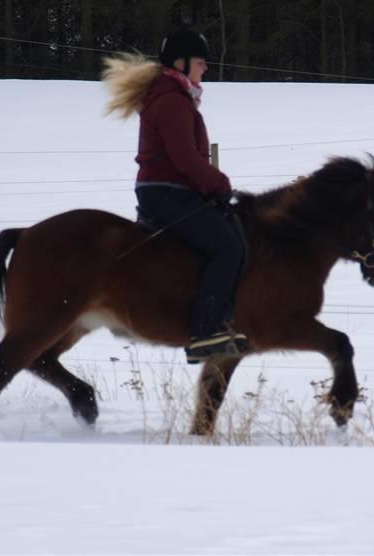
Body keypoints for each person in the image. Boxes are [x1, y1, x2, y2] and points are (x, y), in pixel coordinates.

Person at [102, 29, 248, 364]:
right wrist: (220, 184)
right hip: (169, 191)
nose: (205, 69)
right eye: (200, 62)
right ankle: (205, 332)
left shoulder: (172, 95)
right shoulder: (171, 100)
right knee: (228, 247)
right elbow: (185, 159)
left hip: (169, 189)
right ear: (180, 63)